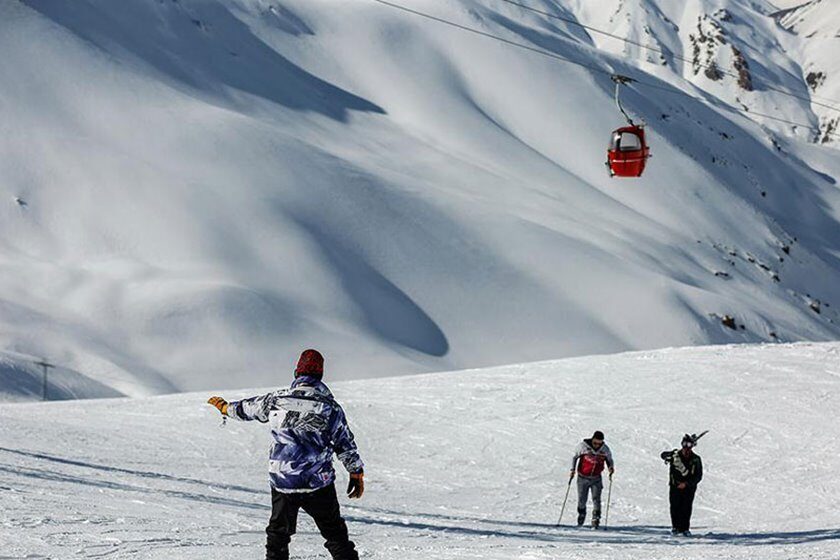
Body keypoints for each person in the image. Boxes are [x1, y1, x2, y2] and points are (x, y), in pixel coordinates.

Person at [207, 349, 365, 560]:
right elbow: (345, 444)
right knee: (335, 534)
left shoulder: (276, 399)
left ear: (296, 373)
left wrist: (225, 408)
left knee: (278, 534)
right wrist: (356, 473)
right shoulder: (330, 407)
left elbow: (247, 409)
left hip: (284, 480)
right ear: (320, 375)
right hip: (317, 481)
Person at [660, 434, 704, 536]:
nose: (686, 448)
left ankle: (685, 529)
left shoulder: (696, 459)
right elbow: (663, 455)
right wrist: (671, 455)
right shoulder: (675, 456)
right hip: (675, 486)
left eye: (689, 445)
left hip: (689, 488)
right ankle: (675, 527)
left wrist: (687, 484)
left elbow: (698, 476)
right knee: (675, 507)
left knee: (686, 508)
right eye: (684, 445)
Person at [569, 430, 614, 528]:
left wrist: (610, 467)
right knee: (582, 499)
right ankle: (581, 513)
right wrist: (572, 469)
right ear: (592, 439)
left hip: (596, 478)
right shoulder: (583, 446)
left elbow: (609, 459)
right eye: (595, 443)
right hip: (582, 477)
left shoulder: (604, 449)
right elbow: (574, 457)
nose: (597, 445)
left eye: (599, 443)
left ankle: (596, 518)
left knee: (596, 499)